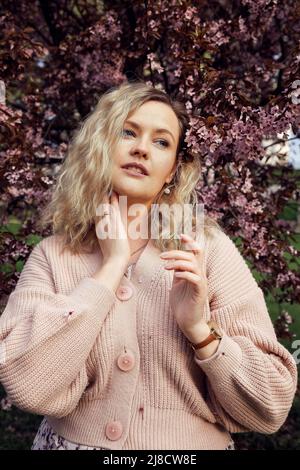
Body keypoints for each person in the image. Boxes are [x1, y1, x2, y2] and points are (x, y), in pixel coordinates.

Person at [0, 81, 297, 451]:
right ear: (101, 147)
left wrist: (201, 331)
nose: (141, 148)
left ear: (173, 170)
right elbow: (27, 384)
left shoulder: (206, 250)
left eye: (161, 142)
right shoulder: (52, 255)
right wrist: (111, 268)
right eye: (128, 132)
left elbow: (270, 404)